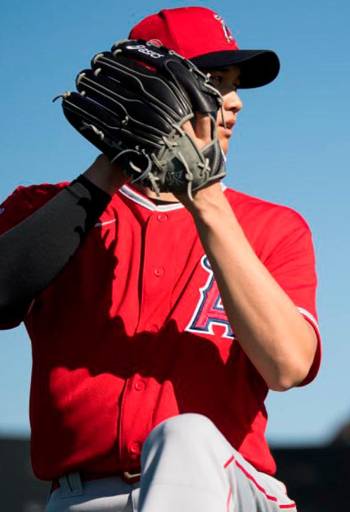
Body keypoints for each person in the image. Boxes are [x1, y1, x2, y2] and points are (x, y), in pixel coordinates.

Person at [0, 6, 320, 511]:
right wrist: (112, 164)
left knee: (186, 437)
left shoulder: (273, 228)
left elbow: (287, 366)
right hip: (81, 496)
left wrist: (206, 199)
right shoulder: (42, 210)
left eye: (235, 84)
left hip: (227, 491)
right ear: (150, 89)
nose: (234, 103)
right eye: (215, 82)